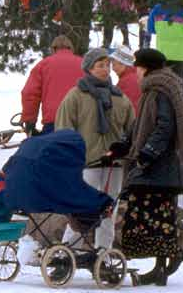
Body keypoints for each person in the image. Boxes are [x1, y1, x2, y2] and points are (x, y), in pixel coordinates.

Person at [116, 48, 183, 286]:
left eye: (138, 67)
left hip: (159, 169)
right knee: (158, 218)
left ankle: (163, 265)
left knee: (153, 218)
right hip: (162, 168)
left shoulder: (159, 91)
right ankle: (166, 261)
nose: (136, 72)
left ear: (146, 68)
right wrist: (124, 145)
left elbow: (163, 127)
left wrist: (147, 155)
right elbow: (142, 125)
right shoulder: (160, 88)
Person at [53, 48, 135, 256]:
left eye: (107, 65)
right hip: (86, 163)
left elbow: (132, 129)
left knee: (109, 210)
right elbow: (63, 130)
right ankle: (68, 253)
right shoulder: (76, 96)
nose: (105, 69)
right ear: (89, 68)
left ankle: (103, 253)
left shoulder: (120, 98)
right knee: (81, 209)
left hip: (113, 165)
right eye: (100, 65)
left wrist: (125, 152)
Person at [20, 35, 82, 135]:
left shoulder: (43, 65)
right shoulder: (83, 64)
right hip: (81, 120)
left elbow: (29, 94)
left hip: (54, 121)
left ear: (53, 48)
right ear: (71, 48)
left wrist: (29, 121)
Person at [109, 44, 141, 114]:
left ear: (123, 64)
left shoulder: (128, 81)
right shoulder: (132, 76)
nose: (113, 69)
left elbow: (126, 109)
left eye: (114, 65)